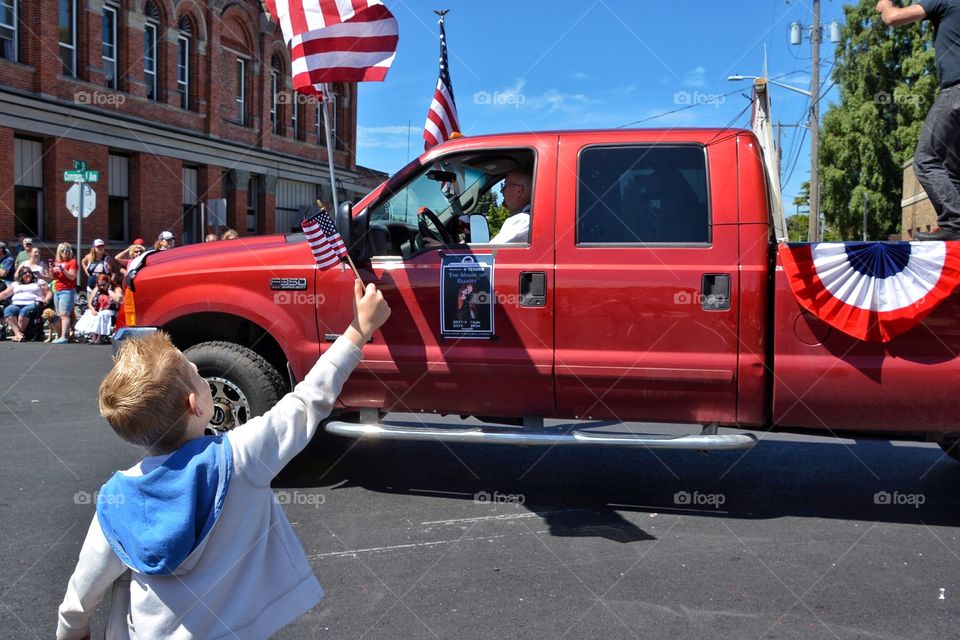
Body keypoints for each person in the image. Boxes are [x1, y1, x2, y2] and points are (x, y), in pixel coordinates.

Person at [56, 280, 390, 640]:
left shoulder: (114, 500)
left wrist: (72, 631)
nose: (202, 375)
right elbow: (309, 400)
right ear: (195, 405)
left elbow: (82, 591)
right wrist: (360, 329)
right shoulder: (240, 457)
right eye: (198, 375)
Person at [878, 1, 960, 240]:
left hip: (956, 90)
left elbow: (893, 18)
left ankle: (955, 223)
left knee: (927, 159)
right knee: (951, 167)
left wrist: (885, 4)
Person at [0, 266, 49, 342]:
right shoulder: (15, 284)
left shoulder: (39, 282)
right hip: (16, 304)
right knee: (8, 310)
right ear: (21, 275)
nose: (27, 274)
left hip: (33, 303)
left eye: (29, 272)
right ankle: (18, 334)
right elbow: (5, 293)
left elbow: (48, 293)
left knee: (24, 312)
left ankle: (18, 334)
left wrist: (46, 299)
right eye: (25, 273)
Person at [75, 274, 121, 344]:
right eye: (100, 285)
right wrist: (93, 310)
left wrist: (110, 292)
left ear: (108, 282)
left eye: (103, 284)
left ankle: (99, 337)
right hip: (97, 309)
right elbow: (90, 302)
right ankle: (94, 337)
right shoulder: (97, 289)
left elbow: (119, 300)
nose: (102, 287)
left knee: (101, 315)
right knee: (90, 314)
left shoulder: (115, 289)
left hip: (110, 310)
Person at [489, 169, 533, 243]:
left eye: (505, 185)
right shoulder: (527, 219)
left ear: (518, 191)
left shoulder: (523, 220)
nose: (501, 190)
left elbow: (491, 252)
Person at [51, 243, 79, 344]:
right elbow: (53, 277)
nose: (65, 252)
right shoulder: (57, 262)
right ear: (59, 252)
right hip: (57, 290)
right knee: (59, 315)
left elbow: (72, 276)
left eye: (67, 250)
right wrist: (51, 269)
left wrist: (62, 269)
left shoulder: (73, 262)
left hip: (67, 291)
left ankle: (64, 337)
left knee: (65, 315)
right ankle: (61, 335)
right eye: (62, 250)